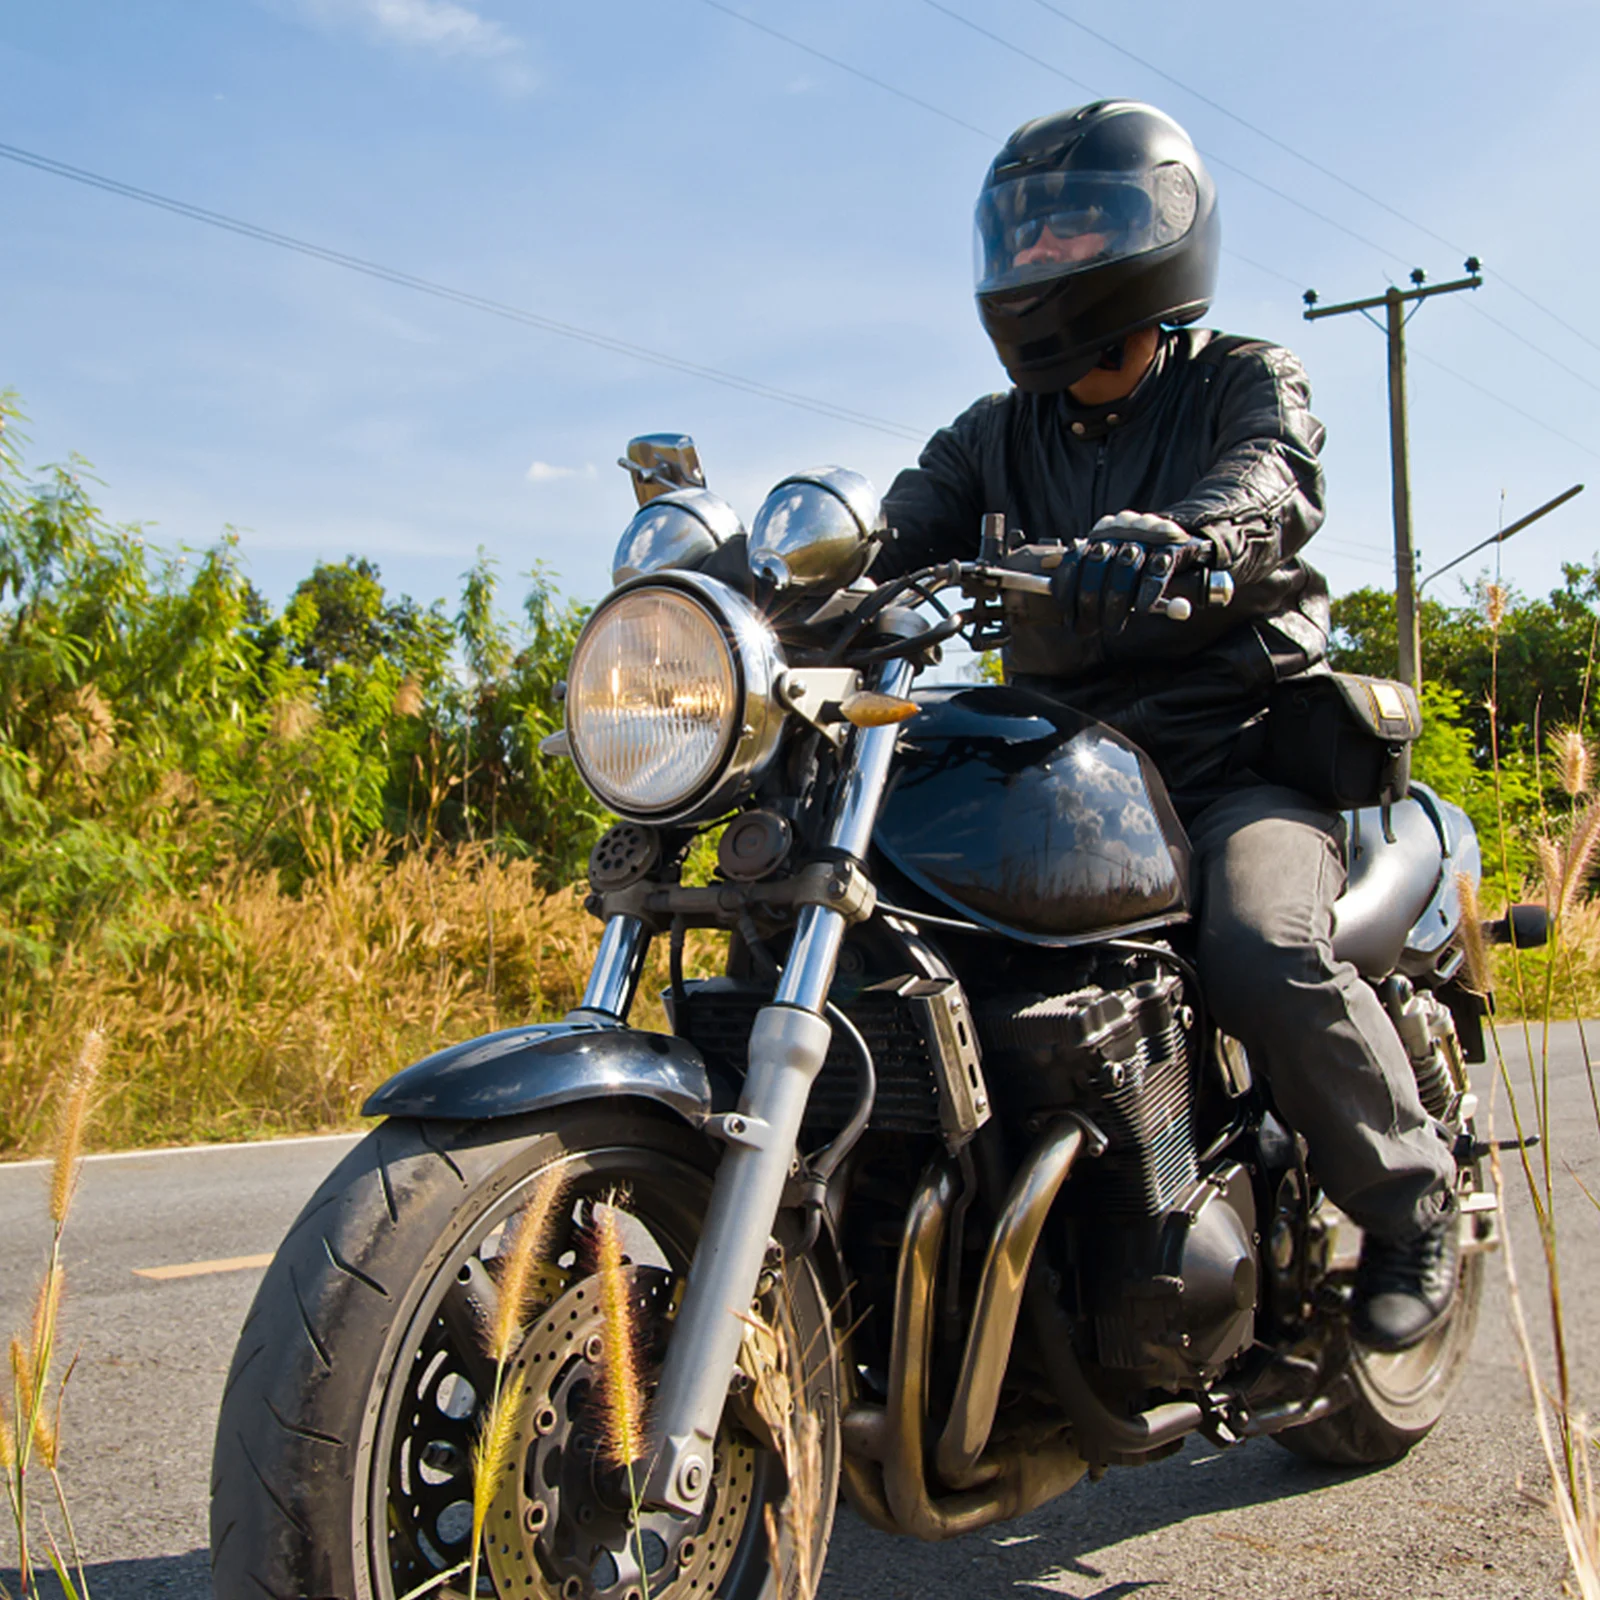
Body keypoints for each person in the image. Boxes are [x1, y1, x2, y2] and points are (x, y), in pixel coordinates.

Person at [874, 99, 1459, 1352]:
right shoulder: (991, 436)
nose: (1042, 260)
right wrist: (786, 585)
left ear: (1158, 238)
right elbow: (897, 532)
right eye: (1022, 239)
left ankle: (1410, 1202)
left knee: (1255, 943)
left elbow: (1273, 475)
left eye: (1075, 229)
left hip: (1228, 761)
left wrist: (1190, 533)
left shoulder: (1245, 378)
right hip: (1066, 779)